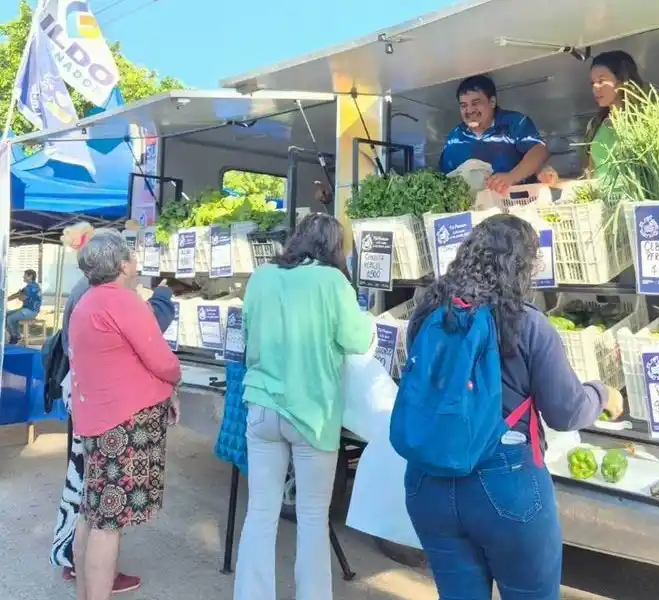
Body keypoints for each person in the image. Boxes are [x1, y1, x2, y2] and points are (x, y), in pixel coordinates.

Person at [394, 214, 623, 600]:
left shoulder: (426, 314)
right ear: (523, 267)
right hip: (504, 484)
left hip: (427, 481)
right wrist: (602, 394)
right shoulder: (527, 324)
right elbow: (565, 412)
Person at [234, 213, 374, 600]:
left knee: (260, 512)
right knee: (312, 518)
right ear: (334, 247)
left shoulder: (261, 277)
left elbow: (246, 334)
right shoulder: (333, 282)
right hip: (314, 413)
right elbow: (358, 341)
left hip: (261, 405)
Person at [47, 222, 177, 595]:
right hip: (122, 424)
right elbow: (161, 359)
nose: (136, 261)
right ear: (122, 265)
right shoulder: (121, 301)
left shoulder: (88, 300)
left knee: (93, 514)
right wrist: (173, 381)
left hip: (96, 418)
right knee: (108, 524)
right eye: (132, 255)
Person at [439, 74, 554, 195]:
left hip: (518, 205)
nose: (470, 110)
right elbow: (443, 176)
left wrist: (511, 177)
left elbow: (539, 150)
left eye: (475, 103)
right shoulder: (455, 137)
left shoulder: (515, 123)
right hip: (475, 210)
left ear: (492, 101)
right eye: (464, 105)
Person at [542, 50, 643, 182]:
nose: (595, 87)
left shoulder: (643, 120)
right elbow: (590, 177)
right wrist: (557, 181)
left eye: (601, 81)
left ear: (622, 80)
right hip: (602, 201)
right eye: (592, 82)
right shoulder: (595, 125)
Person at [5, 269, 43, 344]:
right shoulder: (29, 287)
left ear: (30, 276)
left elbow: (21, 297)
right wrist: (5, 299)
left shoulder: (31, 287)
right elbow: (17, 294)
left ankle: (16, 337)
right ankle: (15, 335)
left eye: (25, 276)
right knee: (6, 315)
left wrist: (19, 296)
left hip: (31, 311)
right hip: (26, 310)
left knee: (10, 318)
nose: (23, 277)